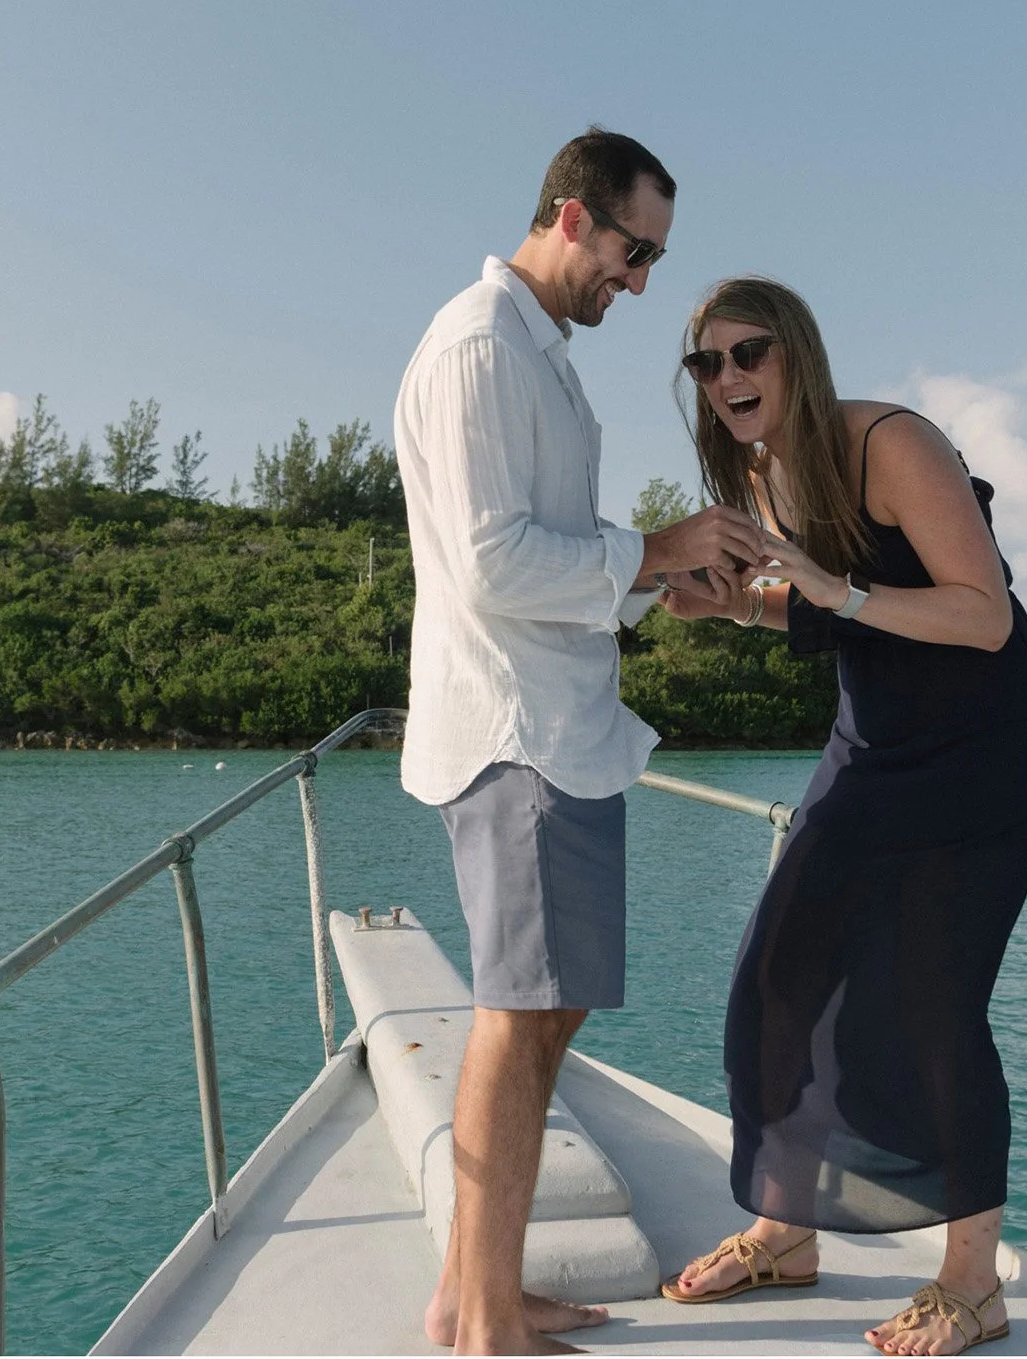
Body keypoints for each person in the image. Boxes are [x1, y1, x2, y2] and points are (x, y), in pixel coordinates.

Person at [393, 128, 768, 1355]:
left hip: (557, 726)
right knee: (519, 1012)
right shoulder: (476, 347)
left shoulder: (529, 351)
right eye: (631, 248)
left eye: (652, 256)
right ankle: (485, 1320)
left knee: (545, 1012)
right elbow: (493, 559)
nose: (641, 280)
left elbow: (548, 553)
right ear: (568, 214)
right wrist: (652, 548)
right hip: (519, 734)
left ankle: (471, 1292)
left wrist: (663, 587)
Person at [652, 277, 1027, 1358]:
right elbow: (826, 599)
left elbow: (977, 615)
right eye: (707, 363)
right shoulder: (754, 466)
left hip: (980, 755)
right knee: (779, 973)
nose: (729, 377)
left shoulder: (887, 441)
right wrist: (735, 602)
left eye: (749, 354)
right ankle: (785, 1230)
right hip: (870, 744)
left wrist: (827, 592)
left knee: (933, 1004)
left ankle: (971, 1284)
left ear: (796, 354)